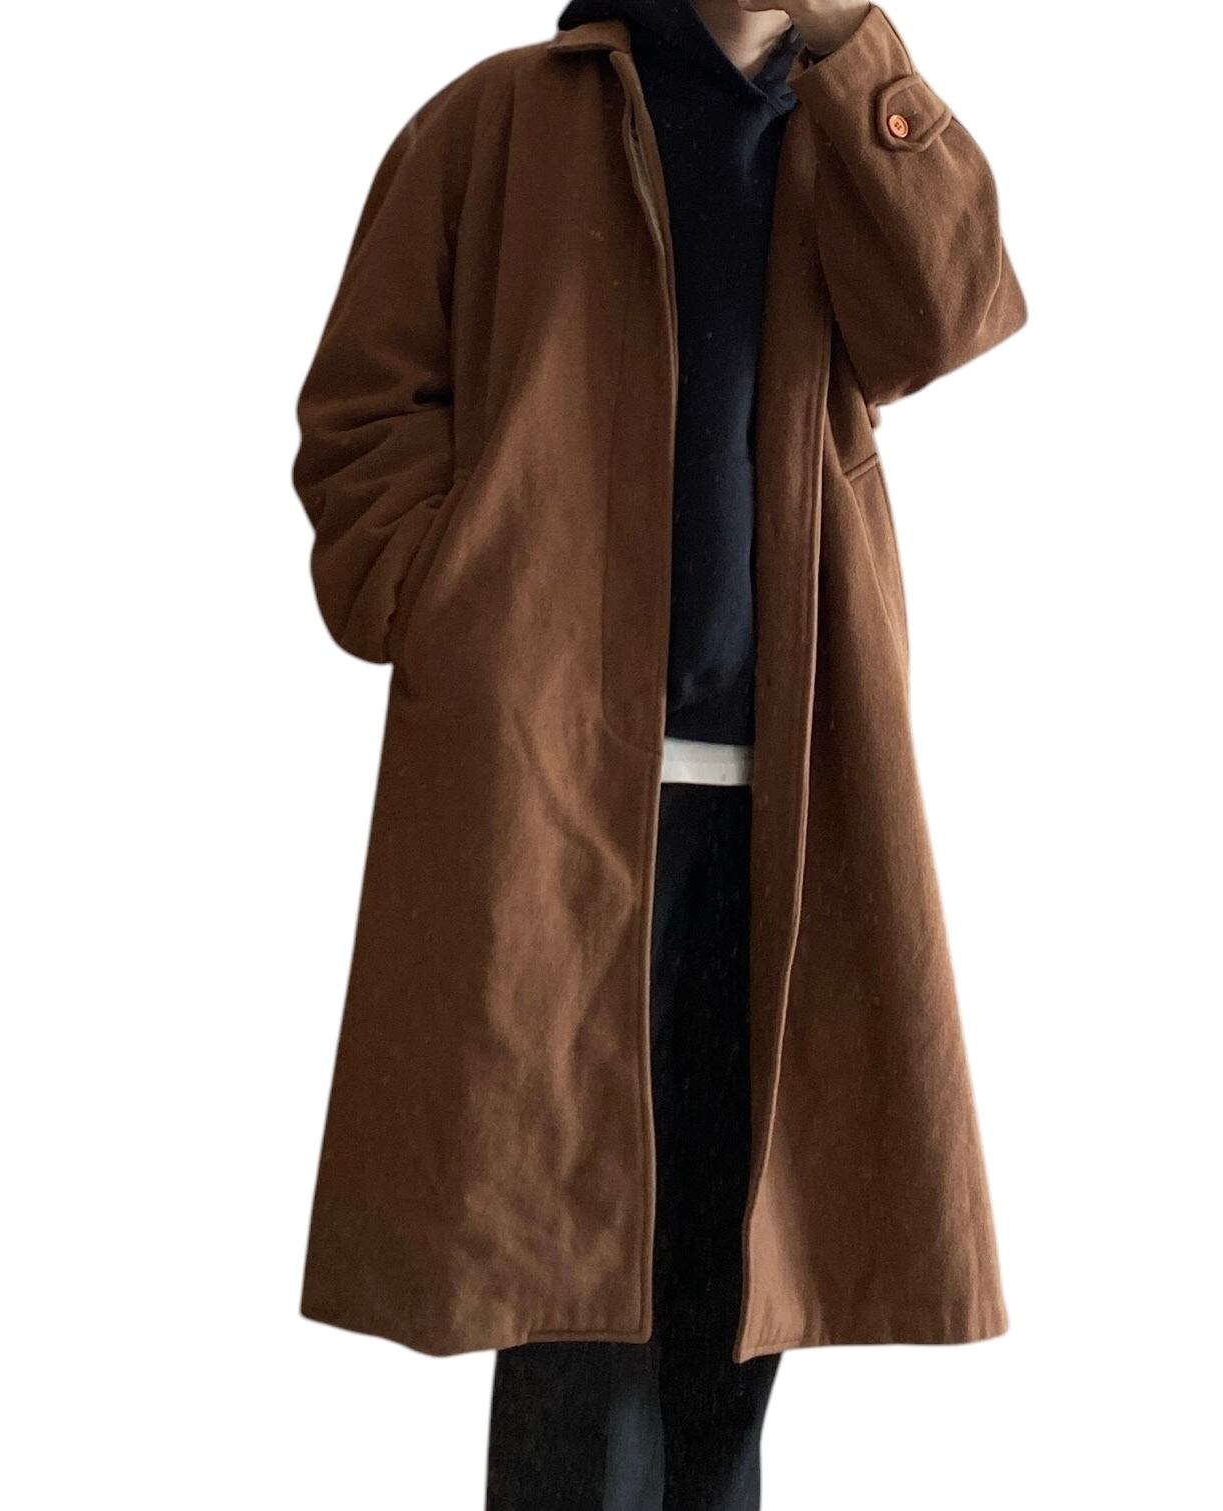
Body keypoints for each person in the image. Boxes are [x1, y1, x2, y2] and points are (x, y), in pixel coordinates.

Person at [291, 2, 1025, 1506]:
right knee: (571, 1323)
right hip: (550, 807)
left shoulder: (841, 135)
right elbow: (362, 413)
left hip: (792, 818)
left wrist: (858, 52)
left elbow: (951, 314)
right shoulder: (500, 122)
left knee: (736, 1324)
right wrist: (449, 604)